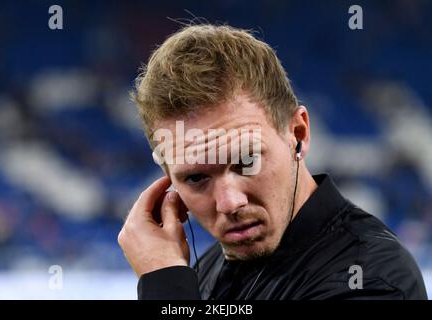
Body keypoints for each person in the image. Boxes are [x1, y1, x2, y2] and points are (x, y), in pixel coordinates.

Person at [117, 24, 427, 300]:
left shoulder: (370, 280)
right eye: (196, 178)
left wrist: (165, 286)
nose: (229, 203)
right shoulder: (210, 267)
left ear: (298, 134)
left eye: (247, 160)